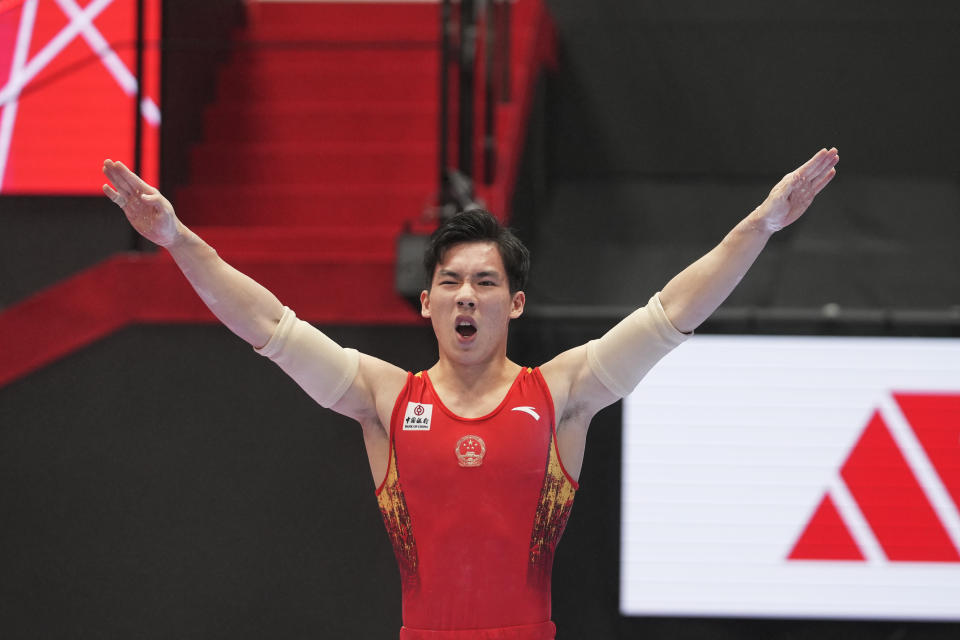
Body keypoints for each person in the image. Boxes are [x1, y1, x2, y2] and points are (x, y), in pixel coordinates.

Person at [102, 147, 839, 640]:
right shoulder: (383, 399)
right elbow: (268, 323)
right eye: (450, 282)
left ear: (514, 304)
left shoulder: (563, 395)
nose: (467, 296)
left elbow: (672, 313)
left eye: (486, 283)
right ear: (425, 303)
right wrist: (176, 239)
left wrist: (760, 224)